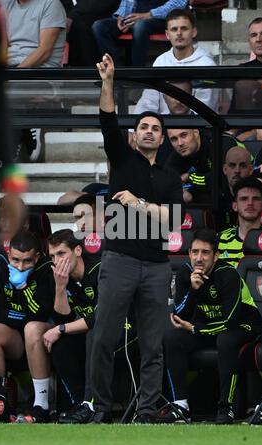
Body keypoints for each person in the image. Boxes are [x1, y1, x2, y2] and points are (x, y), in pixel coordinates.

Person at [89, 53, 184, 424]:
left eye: (155, 128)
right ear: (135, 135)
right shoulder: (123, 159)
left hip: (158, 266)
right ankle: (99, 408)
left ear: (162, 138)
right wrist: (108, 81)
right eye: (143, 126)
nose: (148, 131)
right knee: (103, 338)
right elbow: (107, 120)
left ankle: (146, 411)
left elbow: (172, 221)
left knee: (153, 346)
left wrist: (138, 203)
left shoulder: (169, 175)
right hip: (120, 260)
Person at [162, 228, 262, 424]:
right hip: (208, 327)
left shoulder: (228, 274)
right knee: (172, 338)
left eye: (205, 253)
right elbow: (179, 314)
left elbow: (229, 322)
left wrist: (194, 329)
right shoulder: (185, 273)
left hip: (244, 326)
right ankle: (180, 405)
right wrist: (192, 290)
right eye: (195, 252)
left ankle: (227, 407)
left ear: (216, 256)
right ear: (189, 253)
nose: (199, 258)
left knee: (225, 339)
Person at [0, 232, 54, 422]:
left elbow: (41, 313)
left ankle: (41, 406)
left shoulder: (46, 269)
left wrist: (23, 288)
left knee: (32, 327)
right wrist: (22, 317)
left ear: (37, 257)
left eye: (27, 261)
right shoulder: (0, 264)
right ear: (9, 255)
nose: (20, 266)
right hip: (15, 338)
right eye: (15, 260)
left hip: (44, 338)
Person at [42, 229, 101, 420]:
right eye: (52, 256)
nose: (56, 261)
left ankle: (92, 405)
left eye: (61, 253)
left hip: (121, 331)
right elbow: (62, 320)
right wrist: (60, 287)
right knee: (60, 344)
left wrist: (60, 329)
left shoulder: (99, 269)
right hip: (86, 333)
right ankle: (79, 406)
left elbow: (99, 318)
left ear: (77, 250)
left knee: (94, 335)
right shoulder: (57, 276)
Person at [0, 0, 66, 162]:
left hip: (41, 71)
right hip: (11, 68)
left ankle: (19, 143)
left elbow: (45, 50)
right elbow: (1, 45)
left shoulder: (51, 4)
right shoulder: (5, 4)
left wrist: (14, 75)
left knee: (9, 92)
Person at [132, 9, 218, 112]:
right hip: (163, 126)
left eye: (184, 28)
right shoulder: (161, 61)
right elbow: (148, 103)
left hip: (196, 127)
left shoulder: (207, 64)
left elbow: (205, 108)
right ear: (167, 35)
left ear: (194, 32)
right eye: (174, 29)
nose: (179, 33)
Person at [92, 1, 188, 67]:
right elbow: (127, 2)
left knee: (140, 26)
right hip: (135, 18)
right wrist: (122, 17)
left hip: (163, 19)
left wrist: (148, 15)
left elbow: (178, 3)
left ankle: (137, 72)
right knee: (99, 26)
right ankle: (115, 71)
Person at [219, 176, 262, 268]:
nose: (250, 203)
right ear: (235, 206)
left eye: (255, 198)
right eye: (244, 199)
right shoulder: (219, 239)